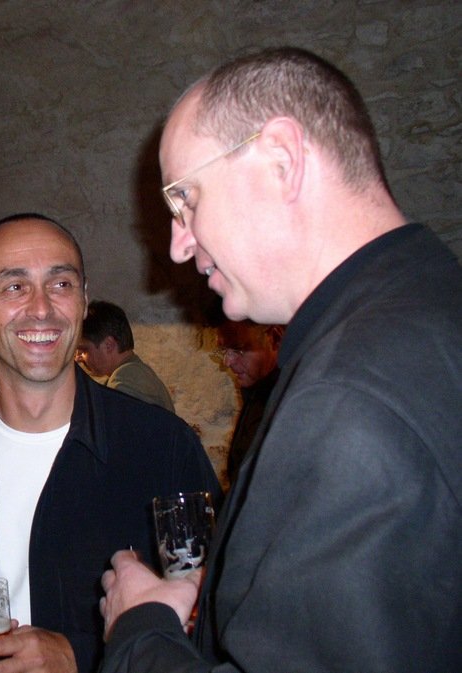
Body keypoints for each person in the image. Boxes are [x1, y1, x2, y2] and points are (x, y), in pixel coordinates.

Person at [100, 47, 461, 673]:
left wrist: (139, 628)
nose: (179, 245)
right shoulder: (426, 305)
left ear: (282, 161)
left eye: (186, 200)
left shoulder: (349, 397)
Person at [0, 213, 221, 673]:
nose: (41, 308)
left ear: (84, 299)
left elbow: (217, 618)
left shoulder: (161, 445)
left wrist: (79, 655)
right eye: (14, 286)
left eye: (61, 284)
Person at [215, 320, 282, 488]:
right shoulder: (256, 393)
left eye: (238, 349)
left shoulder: (284, 402)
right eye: (223, 350)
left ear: (274, 339)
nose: (227, 362)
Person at [76, 299, 175, 411]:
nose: (78, 358)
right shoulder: (135, 373)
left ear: (108, 345)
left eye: (84, 350)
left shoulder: (126, 379)